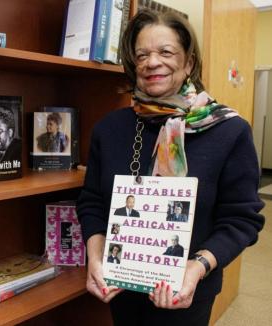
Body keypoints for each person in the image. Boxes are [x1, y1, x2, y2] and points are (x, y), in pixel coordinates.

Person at [76, 9, 264, 326]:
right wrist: (95, 257)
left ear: (188, 62)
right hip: (122, 285)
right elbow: (93, 201)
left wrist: (198, 267)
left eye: (166, 52)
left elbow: (241, 219)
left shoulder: (229, 131)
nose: (152, 62)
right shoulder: (109, 129)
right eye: (142, 55)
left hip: (189, 290)